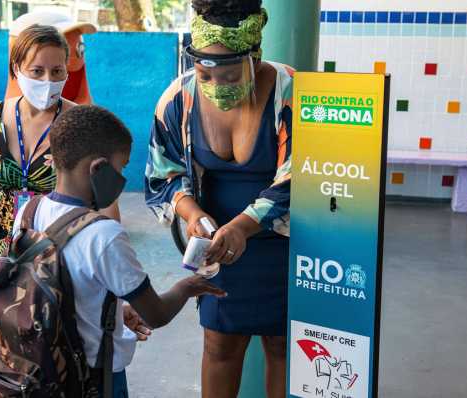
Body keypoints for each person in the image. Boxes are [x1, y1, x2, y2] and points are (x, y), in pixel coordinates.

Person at [0, 24, 129, 397]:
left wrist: (119, 286)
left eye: (57, 71)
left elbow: (106, 204)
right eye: (37, 71)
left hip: (56, 261)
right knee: (0, 348)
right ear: (17, 68)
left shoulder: (80, 124)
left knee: (54, 352)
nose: (48, 81)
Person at [12, 104, 225, 397]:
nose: (122, 178)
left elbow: (55, 289)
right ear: (98, 168)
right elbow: (156, 314)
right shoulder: (104, 235)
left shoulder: (27, 212)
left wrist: (112, 310)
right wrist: (187, 288)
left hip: (40, 369)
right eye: (121, 167)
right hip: (92, 378)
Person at [144, 0, 293, 397]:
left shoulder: (290, 90)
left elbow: (300, 177)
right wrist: (192, 213)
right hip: (217, 246)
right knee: (219, 342)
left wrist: (244, 226)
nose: (215, 87)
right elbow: (163, 172)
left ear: (254, 57)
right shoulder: (179, 97)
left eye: (229, 76)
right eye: (204, 73)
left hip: (283, 245)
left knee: (281, 344)